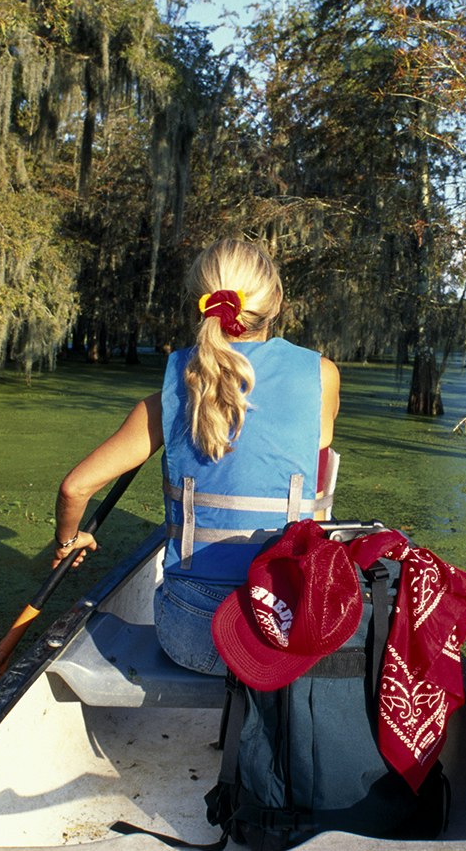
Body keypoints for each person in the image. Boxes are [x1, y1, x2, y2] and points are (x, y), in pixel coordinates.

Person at [51, 239, 341, 674]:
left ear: (200, 305)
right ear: (276, 302)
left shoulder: (166, 396)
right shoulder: (321, 376)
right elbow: (314, 469)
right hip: (290, 630)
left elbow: (75, 488)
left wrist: (69, 540)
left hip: (192, 636)